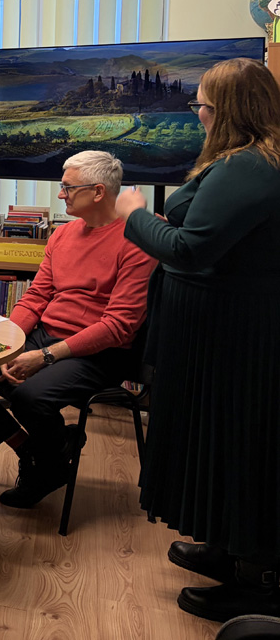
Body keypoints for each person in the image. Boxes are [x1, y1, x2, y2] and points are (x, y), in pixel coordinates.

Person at [116, 58, 280, 621]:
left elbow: (189, 248)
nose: (199, 115)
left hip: (231, 338)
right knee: (221, 442)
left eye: (203, 106)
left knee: (235, 443)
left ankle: (257, 578)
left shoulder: (249, 168)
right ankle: (231, 551)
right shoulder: (250, 163)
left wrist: (134, 216)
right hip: (220, 332)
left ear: (228, 110)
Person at [0, 150, 156, 508]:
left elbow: (118, 327)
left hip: (101, 352)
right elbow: (36, 296)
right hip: (44, 338)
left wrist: (45, 356)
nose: (59, 195)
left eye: (67, 187)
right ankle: (43, 455)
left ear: (98, 192)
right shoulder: (63, 235)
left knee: (29, 397)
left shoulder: (138, 240)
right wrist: (10, 344)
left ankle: (45, 463)